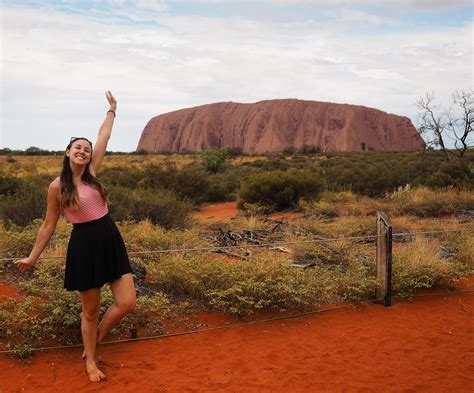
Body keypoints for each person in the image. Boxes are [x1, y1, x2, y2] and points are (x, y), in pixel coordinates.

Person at [16, 91, 136, 382]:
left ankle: (97, 337)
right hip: (84, 246)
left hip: (110, 238)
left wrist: (112, 110)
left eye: (87, 148)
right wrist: (33, 258)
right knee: (90, 311)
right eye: (78, 147)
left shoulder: (94, 172)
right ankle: (91, 361)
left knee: (127, 302)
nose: (83, 151)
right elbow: (48, 225)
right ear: (68, 153)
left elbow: (103, 136)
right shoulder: (57, 186)